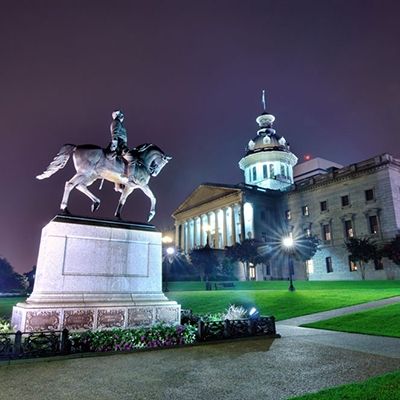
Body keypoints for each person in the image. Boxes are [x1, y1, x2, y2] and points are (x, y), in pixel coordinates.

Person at [107, 110, 134, 185]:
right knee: (132, 160)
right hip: (120, 146)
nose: (122, 116)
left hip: (122, 145)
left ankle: (118, 185)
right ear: (117, 115)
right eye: (121, 115)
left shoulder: (118, 123)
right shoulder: (117, 122)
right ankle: (131, 180)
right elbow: (115, 134)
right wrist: (114, 146)